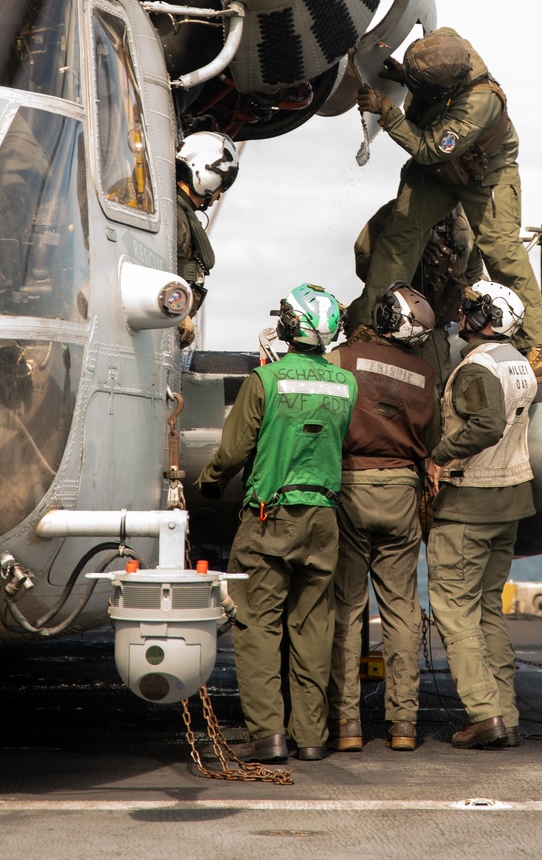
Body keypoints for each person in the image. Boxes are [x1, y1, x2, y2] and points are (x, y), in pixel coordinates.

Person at [197, 283, 358, 762]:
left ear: (291, 326)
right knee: (313, 625)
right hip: (324, 518)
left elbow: (233, 451)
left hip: (270, 519)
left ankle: (268, 736)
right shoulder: (345, 384)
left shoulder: (265, 381)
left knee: (258, 625)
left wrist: (210, 479)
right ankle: (310, 737)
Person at [349, 26, 542, 382]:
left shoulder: (478, 104)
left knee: (501, 250)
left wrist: (388, 111)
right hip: (439, 171)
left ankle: (539, 347)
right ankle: (368, 324)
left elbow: (429, 148)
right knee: (400, 234)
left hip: (485, 175)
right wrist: (405, 74)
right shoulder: (445, 43)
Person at [325, 283, 441, 753]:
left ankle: (347, 725)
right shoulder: (427, 376)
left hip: (352, 486)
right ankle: (404, 726)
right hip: (401, 492)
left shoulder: (345, 358)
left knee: (348, 608)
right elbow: (430, 440)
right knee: (402, 611)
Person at [425, 280, 537, 749]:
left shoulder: (476, 368)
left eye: (470, 309)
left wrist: (438, 457)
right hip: (509, 502)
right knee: (489, 608)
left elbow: (486, 425)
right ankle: (506, 714)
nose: (461, 314)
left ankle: (484, 713)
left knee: (455, 610)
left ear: (485, 319)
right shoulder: (520, 364)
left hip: (468, 502)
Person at [355, 201, 483, 386]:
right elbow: (363, 263)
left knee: (431, 387)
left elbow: (475, 276)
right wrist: (411, 254)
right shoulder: (399, 213)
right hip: (385, 327)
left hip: (434, 330)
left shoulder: (466, 222)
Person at [174, 131, 239, 347]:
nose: (219, 195)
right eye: (221, 186)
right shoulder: (176, 215)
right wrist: (177, 314)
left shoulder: (180, 212)